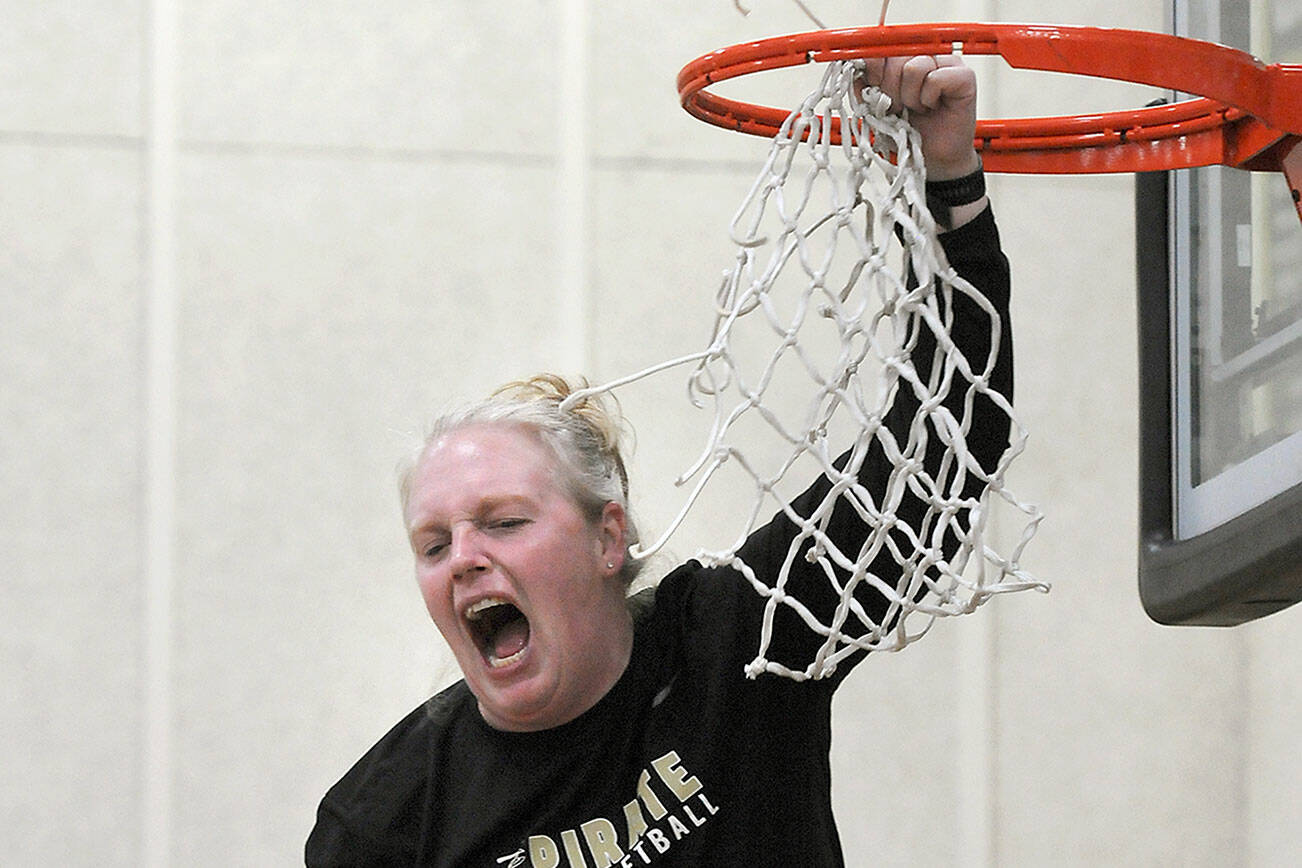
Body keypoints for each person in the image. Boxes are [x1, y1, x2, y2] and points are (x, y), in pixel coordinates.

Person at [307, 53, 1009, 866]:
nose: (463, 559)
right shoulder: (383, 820)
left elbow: (942, 447)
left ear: (609, 539)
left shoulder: (733, 642)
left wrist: (947, 173)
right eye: (434, 544)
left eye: (503, 522)